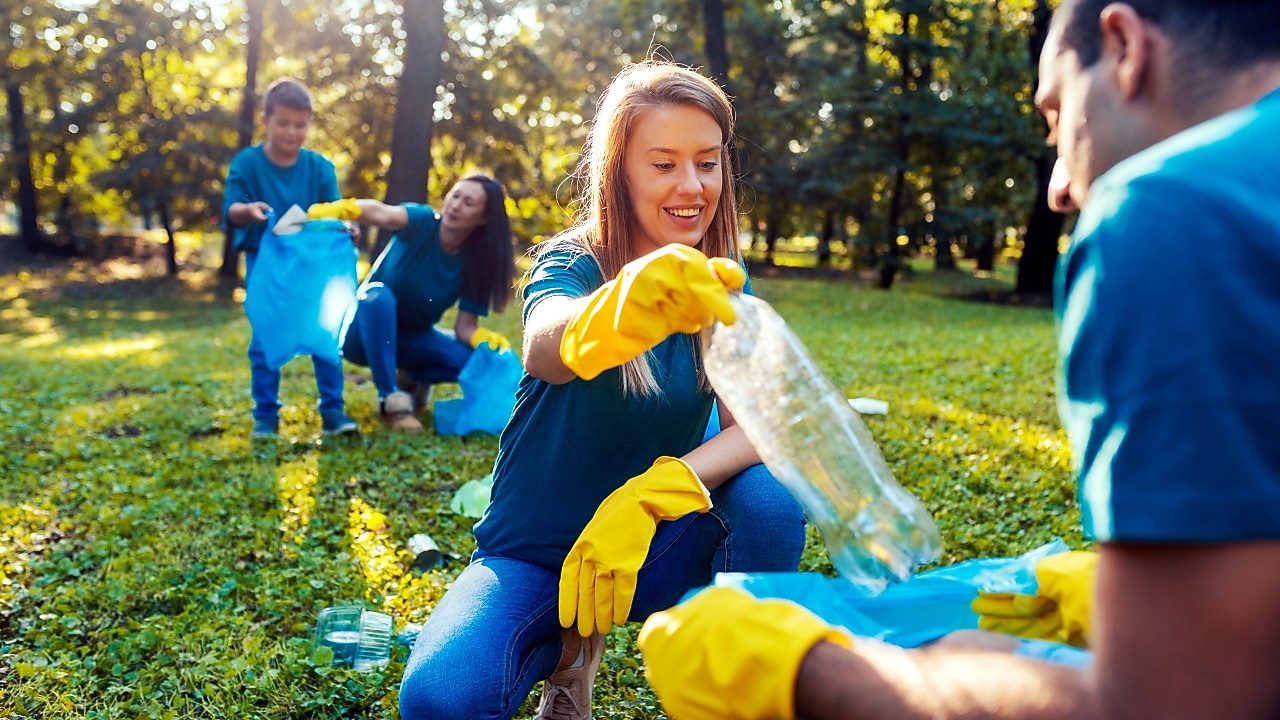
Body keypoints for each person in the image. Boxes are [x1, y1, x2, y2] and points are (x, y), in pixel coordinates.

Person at [637, 1, 1280, 719]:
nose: (1061, 187)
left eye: (1056, 116)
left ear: (1125, 47)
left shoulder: (1173, 211)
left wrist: (809, 674)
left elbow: (1181, 703)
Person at [395, 61, 808, 720]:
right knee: (440, 702)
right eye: (663, 163)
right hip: (535, 554)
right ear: (619, 169)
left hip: (650, 545)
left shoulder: (722, 280)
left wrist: (653, 495)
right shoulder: (569, 261)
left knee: (771, 500)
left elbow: (755, 425)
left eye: (707, 162)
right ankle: (568, 657)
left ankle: (732, 686)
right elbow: (546, 346)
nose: (692, 186)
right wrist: (618, 310)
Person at [307, 175, 517, 432]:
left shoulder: (476, 264)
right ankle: (391, 401)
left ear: (483, 218)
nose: (455, 205)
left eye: (468, 203)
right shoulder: (422, 221)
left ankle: (411, 379)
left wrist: (481, 338)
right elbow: (384, 213)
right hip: (362, 335)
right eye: (455, 195)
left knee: (469, 359)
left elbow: (465, 327)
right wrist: (348, 208)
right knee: (378, 295)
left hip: (411, 339)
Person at [220, 77, 358, 439]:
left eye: (300, 124)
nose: (292, 132)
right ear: (265, 120)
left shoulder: (320, 167)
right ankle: (266, 415)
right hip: (268, 266)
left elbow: (331, 212)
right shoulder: (248, 163)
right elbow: (230, 208)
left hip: (314, 268)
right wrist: (248, 210)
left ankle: (333, 412)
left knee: (325, 335)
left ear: (309, 122)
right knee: (266, 334)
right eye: (283, 123)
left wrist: (346, 227)